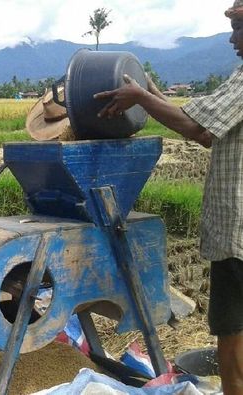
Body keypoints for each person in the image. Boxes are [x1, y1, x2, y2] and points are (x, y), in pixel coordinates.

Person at [94, 2, 243, 392]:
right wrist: (152, 95)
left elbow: (196, 128)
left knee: (234, 337)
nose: (232, 38)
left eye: (239, 28)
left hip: (239, 233)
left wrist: (141, 98)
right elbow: (211, 132)